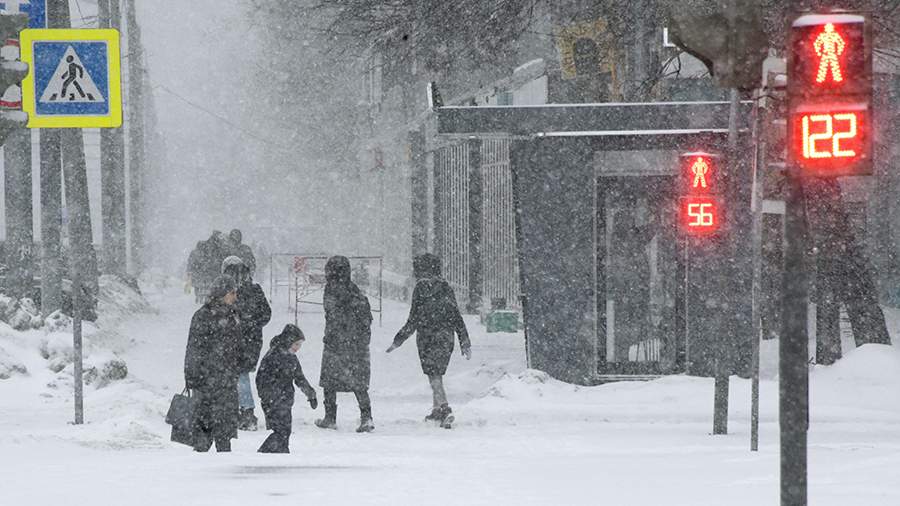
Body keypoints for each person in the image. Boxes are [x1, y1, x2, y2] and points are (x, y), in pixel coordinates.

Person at [387, 253, 471, 428]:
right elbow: (455, 315)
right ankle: (436, 410)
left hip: (427, 337)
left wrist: (398, 340)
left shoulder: (420, 288)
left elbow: (414, 318)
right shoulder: (446, 287)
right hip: (446, 336)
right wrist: (464, 341)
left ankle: (445, 407)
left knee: (434, 376)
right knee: (437, 373)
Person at [316, 255, 374, 433]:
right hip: (356, 344)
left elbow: (332, 314)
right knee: (358, 383)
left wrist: (335, 335)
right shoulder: (354, 290)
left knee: (329, 381)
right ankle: (366, 416)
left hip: (337, 343)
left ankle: (330, 417)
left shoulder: (331, 290)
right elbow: (366, 317)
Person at [184, 275, 242, 452]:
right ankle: (202, 465)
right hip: (207, 380)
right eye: (232, 293)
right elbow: (194, 349)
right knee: (205, 428)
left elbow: (236, 344)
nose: (235, 297)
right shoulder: (203, 316)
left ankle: (223, 461)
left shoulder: (232, 314)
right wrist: (192, 376)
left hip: (225, 379)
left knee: (224, 429)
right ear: (222, 294)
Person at [221, 255, 272, 431]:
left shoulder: (228, 291)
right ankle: (244, 411)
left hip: (234, 339)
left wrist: (242, 322)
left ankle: (245, 411)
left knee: (237, 374)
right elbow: (266, 314)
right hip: (253, 340)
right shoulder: (255, 289)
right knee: (241, 373)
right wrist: (254, 324)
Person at [255, 324, 318, 453]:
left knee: (285, 431)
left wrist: (310, 394)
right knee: (281, 431)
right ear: (288, 340)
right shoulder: (272, 356)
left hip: (285, 400)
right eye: (296, 344)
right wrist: (268, 397)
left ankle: (282, 453)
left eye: (299, 345)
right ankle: (264, 453)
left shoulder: (291, 358)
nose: (298, 348)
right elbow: (260, 379)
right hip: (273, 401)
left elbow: (299, 378)